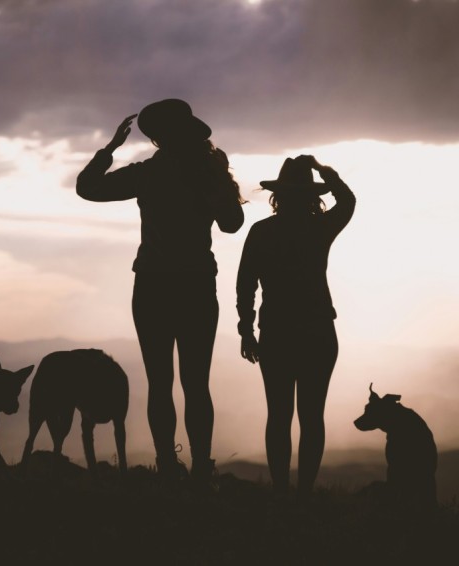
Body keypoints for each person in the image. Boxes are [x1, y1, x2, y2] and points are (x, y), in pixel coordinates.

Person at [76, 99, 245, 489]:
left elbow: (88, 188)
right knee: (196, 384)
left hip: (152, 285)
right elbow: (232, 224)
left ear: (157, 139)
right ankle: (201, 468)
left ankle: (168, 465)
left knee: (160, 382)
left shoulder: (146, 174)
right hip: (196, 286)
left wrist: (110, 149)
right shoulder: (208, 172)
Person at [236, 155, 355, 500]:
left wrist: (246, 330)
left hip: (276, 332)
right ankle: (303, 494)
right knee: (312, 417)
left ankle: (279, 492)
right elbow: (348, 200)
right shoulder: (320, 228)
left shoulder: (262, 232)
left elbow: (246, 285)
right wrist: (323, 170)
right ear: (311, 196)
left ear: (280, 194)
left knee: (279, 415)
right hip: (318, 330)